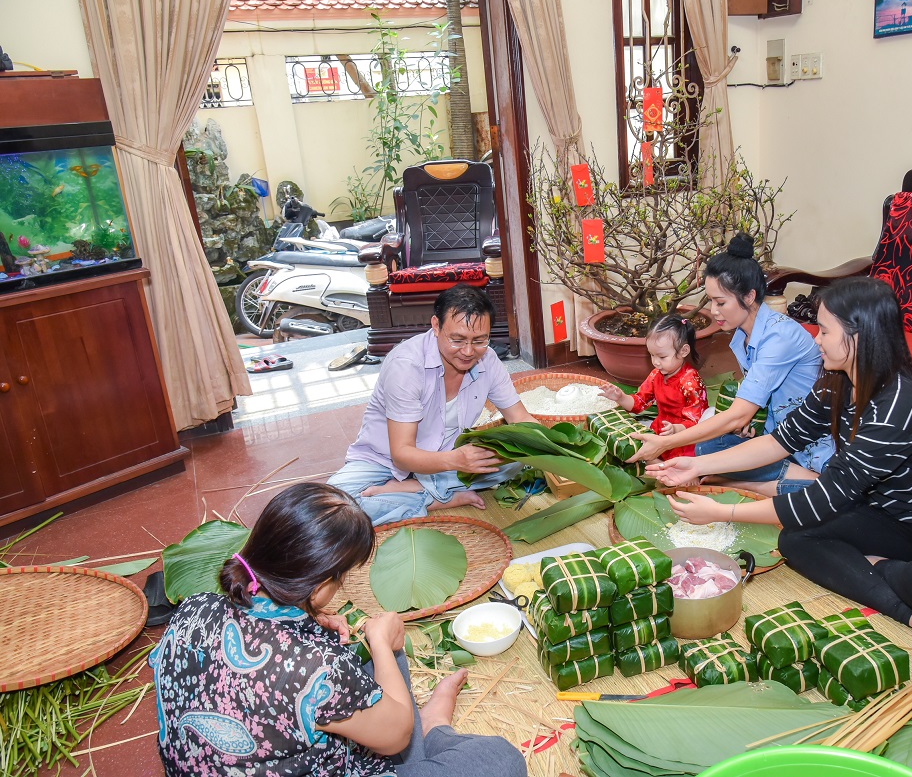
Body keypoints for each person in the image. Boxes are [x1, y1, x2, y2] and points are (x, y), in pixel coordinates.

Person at [647, 277, 912, 668]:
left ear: (858, 337)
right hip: (891, 519)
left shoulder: (897, 405)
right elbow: (779, 442)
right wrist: (696, 465)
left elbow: (823, 498)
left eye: (824, 330)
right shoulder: (836, 382)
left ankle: (880, 567)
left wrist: (722, 512)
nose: (815, 339)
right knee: (796, 542)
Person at [151, 482, 526, 777]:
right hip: (355, 742)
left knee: (353, 657)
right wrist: (381, 645)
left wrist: (309, 620)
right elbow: (395, 737)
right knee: (498, 759)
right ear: (318, 586)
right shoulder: (316, 669)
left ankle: (418, 735)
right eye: (341, 575)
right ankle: (433, 728)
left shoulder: (194, 607)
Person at [627, 233, 833, 496]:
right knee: (707, 444)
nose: (713, 310)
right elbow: (750, 408)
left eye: (720, 302)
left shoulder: (779, 336)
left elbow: (738, 414)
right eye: (711, 301)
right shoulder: (742, 336)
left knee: (710, 442)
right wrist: (747, 424)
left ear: (749, 296)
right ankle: (743, 481)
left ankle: (755, 484)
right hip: (774, 435)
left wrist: (664, 442)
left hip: (808, 446)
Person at [328, 285, 536, 524]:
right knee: (334, 507)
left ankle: (413, 490)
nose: (469, 352)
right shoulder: (406, 365)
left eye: (479, 340)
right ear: (436, 326)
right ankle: (439, 498)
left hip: (445, 460)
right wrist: (457, 461)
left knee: (515, 462)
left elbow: (520, 419)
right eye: (457, 340)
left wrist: (556, 448)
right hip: (384, 461)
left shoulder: (488, 359)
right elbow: (402, 455)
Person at [599, 314, 708, 460]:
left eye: (662, 357)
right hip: (660, 430)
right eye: (651, 355)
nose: (656, 362)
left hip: (684, 438)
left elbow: (699, 421)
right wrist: (620, 397)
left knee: (674, 466)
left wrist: (676, 429)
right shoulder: (656, 374)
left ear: (683, 351)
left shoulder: (690, 381)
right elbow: (639, 403)